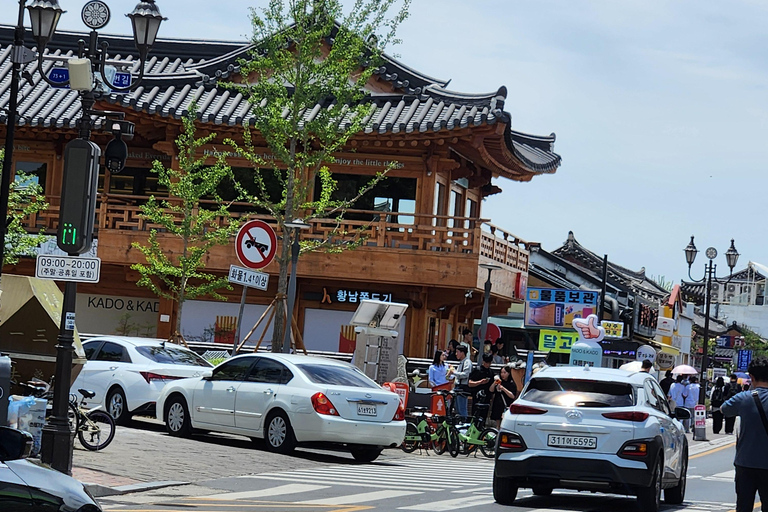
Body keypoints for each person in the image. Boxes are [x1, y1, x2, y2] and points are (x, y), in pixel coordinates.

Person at [721, 355, 768, 512]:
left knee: (743, 506)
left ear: (751, 377)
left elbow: (724, 409)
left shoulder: (743, 398)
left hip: (745, 463)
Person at [451, 344, 473, 418]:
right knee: (457, 408)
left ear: (462, 353)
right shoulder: (461, 362)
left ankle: (464, 423)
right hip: (458, 387)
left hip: (462, 388)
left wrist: (454, 372)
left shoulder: (467, 362)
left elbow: (466, 374)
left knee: (462, 408)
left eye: (457, 352)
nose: (456, 354)